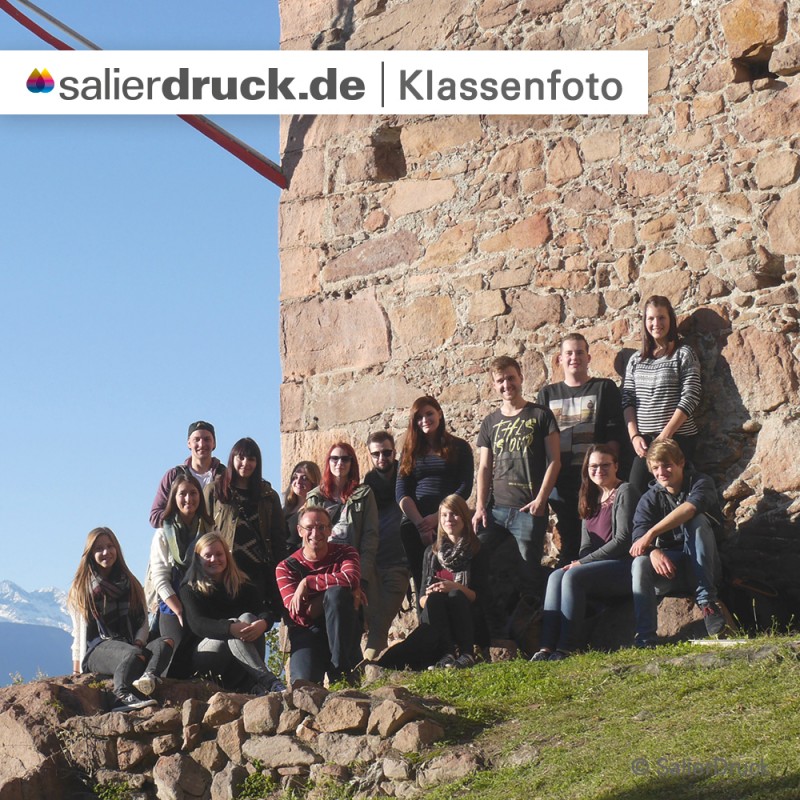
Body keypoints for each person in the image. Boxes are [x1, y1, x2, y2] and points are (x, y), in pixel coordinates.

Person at [531, 445, 640, 661]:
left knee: (573, 575)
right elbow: (585, 546)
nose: (599, 470)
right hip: (597, 567)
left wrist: (583, 564)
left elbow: (622, 541)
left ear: (616, 466)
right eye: (593, 466)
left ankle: (567, 647)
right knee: (555, 576)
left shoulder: (625, 491)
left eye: (605, 465)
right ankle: (545, 648)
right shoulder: (590, 497)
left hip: (624, 566)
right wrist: (585, 560)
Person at [473, 356, 560, 603]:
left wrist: (541, 500)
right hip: (496, 510)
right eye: (500, 380)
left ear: (521, 377)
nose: (506, 384)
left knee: (529, 573)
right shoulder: (490, 422)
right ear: (494, 385)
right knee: (480, 561)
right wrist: (480, 506)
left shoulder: (540, 415)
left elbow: (554, 460)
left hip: (528, 509)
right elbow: (484, 467)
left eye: (510, 378)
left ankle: (535, 631)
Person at [629, 439, 727, 646]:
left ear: (681, 463)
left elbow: (690, 509)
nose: (661, 471)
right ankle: (645, 636)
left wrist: (651, 533)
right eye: (655, 467)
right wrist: (653, 550)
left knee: (697, 520)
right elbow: (638, 538)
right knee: (640, 563)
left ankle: (707, 602)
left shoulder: (701, 482)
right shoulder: (649, 498)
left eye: (667, 465)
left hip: (706, 565)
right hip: (672, 570)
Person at [537, 334, 625, 564]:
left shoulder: (604, 388)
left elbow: (614, 433)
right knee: (569, 541)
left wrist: (610, 476)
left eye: (579, 352)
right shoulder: (547, 395)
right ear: (559, 359)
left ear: (588, 357)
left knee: (599, 540)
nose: (574, 357)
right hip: (561, 481)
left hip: (594, 478)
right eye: (569, 353)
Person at [376, 495, 490, 671]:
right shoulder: (431, 552)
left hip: (468, 616)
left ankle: (467, 654)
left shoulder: (476, 549)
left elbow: (481, 596)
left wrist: (456, 587)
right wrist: (431, 594)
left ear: (464, 518)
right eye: (444, 515)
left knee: (455, 595)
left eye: (454, 514)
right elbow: (422, 599)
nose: (448, 520)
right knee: (435, 599)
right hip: (438, 618)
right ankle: (448, 655)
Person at [69, 527, 172, 711]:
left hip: (131, 645)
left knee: (165, 643)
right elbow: (78, 633)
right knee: (131, 654)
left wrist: (140, 642)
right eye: (99, 549)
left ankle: (147, 679)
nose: (106, 552)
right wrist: (77, 671)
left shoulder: (130, 583)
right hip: (98, 649)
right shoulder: (82, 589)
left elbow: (142, 620)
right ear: (90, 554)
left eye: (110, 546)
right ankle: (121, 696)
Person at [180, 532, 285, 693]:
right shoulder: (190, 589)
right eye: (208, 555)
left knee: (248, 618)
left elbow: (263, 611)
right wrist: (229, 628)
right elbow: (198, 624)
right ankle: (268, 681)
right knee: (236, 624)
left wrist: (263, 623)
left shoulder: (242, 584)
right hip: (208, 656)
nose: (214, 559)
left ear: (227, 556)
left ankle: (251, 684)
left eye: (219, 554)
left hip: (240, 654)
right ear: (198, 559)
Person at [396, 396, 474, 604]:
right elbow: (402, 492)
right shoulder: (409, 451)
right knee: (421, 578)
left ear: (439, 413)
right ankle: (426, 624)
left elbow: (464, 487)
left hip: (449, 519)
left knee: (450, 574)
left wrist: (437, 518)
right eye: (419, 417)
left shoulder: (460, 447)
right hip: (415, 521)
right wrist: (421, 524)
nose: (425, 420)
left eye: (429, 413)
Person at [622, 296, 701, 495]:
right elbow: (628, 399)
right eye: (651, 319)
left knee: (675, 494)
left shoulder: (683, 354)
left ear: (670, 319)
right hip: (644, 443)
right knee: (636, 492)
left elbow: (691, 395)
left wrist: (665, 436)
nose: (656, 323)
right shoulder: (635, 360)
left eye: (661, 318)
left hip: (676, 438)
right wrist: (634, 436)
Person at [276, 506, 362, 685]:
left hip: (343, 630)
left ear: (330, 530)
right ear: (300, 531)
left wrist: (308, 583)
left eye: (321, 527)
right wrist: (340, 591)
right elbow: (298, 614)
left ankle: (341, 673)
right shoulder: (285, 567)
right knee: (303, 687)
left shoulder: (345, 553)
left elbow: (350, 577)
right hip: (307, 633)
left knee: (337, 594)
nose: (316, 533)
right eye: (309, 528)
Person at [204, 437, 286, 627]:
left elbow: (278, 538)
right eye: (240, 458)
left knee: (252, 626)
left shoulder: (268, 495)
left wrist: (279, 576)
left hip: (255, 573)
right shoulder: (215, 490)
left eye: (251, 459)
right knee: (226, 627)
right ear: (232, 458)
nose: (245, 464)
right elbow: (203, 532)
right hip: (223, 570)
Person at [305, 442, 379, 638]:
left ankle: (348, 664)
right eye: (335, 458)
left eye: (345, 458)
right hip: (324, 564)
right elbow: (307, 535)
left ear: (352, 463)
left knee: (352, 617)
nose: (340, 463)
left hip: (351, 565)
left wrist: (361, 576)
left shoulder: (364, 494)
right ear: (328, 462)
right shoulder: (315, 497)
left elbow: (370, 537)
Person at [146, 473, 212, 671]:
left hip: (202, 600)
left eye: (193, 493)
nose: (188, 499)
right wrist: (179, 609)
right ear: (174, 498)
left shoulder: (209, 529)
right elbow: (160, 577)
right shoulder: (163, 534)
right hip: (172, 602)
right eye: (182, 494)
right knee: (173, 659)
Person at [362, 431, 410, 660]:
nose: (382, 458)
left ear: (394, 452)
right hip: (373, 564)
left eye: (387, 452)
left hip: (399, 562)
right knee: (370, 619)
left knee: (381, 622)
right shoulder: (366, 486)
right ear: (370, 456)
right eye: (376, 454)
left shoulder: (406, 478)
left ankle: (366, 665)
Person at [150, 421, 225, 528]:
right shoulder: (174, 476)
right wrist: (183, 517)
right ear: (189, 443)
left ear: (214, 443)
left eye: (207, 439)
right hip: (182, 542)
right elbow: (155, 516)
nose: (202, 444)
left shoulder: (225, 476)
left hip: (216, 541)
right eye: (197, 440)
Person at [283, 460, 321, 550]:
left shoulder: (315, 511)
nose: (298, 481)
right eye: (295, 477)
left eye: (304, 478)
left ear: (314, 482)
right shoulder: (285, 509)